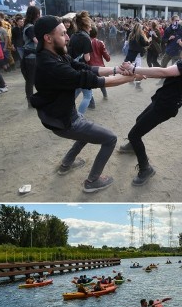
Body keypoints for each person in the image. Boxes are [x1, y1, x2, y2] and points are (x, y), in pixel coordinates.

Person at [30, 15, 139, 193]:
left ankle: (66, 164)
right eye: (63, 34)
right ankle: (92, 181)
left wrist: (115, 69)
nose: (68, 38)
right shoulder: (51, 65)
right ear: (48, 38)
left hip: (58, 115)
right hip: (63, 120)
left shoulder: (53, 55)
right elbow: (91, 80)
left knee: (87, 134)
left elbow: (85, 68)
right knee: (110, 139)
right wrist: (131, 77)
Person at [117, 30, 182, 185]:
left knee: (134, 134)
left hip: (167, 104)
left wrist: (134, 69)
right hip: (165, 98)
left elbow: (163, 71)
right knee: (139, 120)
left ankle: (145, 169)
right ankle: (133, 146)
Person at [68, 11, 96, 114]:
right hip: (82, 68)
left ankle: (65, 110)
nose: (91, 28)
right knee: (87, 96)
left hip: (73, 67)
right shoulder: (86, 38)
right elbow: (87, 58)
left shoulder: (74, 35)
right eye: (90, 25)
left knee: (76, 91)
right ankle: (79, 117)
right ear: (85, 25)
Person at [21, 5, 40, 107]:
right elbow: (36, 41)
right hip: (31, 57)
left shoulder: (29, 25)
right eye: (38, 13)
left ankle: (32, 100)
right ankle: (30, 101)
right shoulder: (30, 27)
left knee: (32, 79)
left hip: (31, 56)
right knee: (30, 80)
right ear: (36, 14)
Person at [88, 25, 110, 99]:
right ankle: (105, 95)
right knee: (101, 83)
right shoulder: (100, 42)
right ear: (96, 33)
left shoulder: (85, 42)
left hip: (89, 66)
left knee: (88, 85)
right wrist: (108, 58)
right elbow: (106, 56)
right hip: (100, 67)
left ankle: (91, 102)